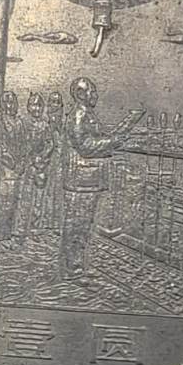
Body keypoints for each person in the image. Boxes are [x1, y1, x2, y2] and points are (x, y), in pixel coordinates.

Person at [59, 76, 143, 277]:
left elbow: (99, 139)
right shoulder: (79, 114)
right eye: (92, 91)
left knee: (83, 225)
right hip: (81, 181)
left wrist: (122, 130)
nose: (95, 95)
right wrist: (114, 141)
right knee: (77, 225)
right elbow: (86, 146)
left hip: (87, 180)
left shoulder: (87, 114)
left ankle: (77, 265)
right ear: (81, 94)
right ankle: (72, 268)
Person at [0, 89, 29, 243]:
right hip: (5, 168)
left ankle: (11, 232)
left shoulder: (19, 122)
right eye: (7, 102)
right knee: (3, 200)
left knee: (15, 200)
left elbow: (24, 144)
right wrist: (11, 162)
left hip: (18, 168)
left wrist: (22, 161)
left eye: (13, 101)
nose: (10, 105)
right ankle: (0, 234)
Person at [25, 91, 56, 229]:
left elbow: (50, 143)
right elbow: (23, 144)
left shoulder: (45, 125)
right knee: (26, 197)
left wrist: (43, 157)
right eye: (33, 105)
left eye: (39, 105)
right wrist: (32, 158)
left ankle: (35, 226)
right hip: (28, 165)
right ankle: (22, 227)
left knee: (39, 197)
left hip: (41, 165)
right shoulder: (24, 124)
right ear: (28, 107)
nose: (36, 108)